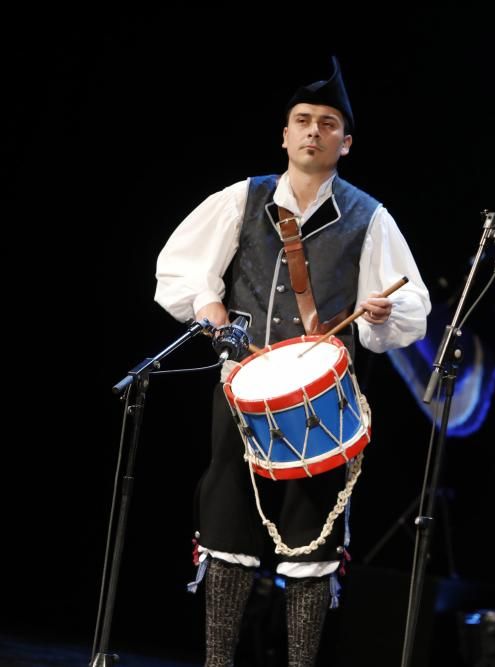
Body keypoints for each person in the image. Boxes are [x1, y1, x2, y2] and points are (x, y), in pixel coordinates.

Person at [154, 56, 431, 666]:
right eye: (302, 120)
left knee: (311, 546)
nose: (313, 131)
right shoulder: (243, 199)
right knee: (227, 533)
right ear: (284, 134)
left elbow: (410, 303)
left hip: (322, 406)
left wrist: (383, 315)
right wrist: (212, 308)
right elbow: (179, 268)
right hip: (241, 391)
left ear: (346, 141)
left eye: (327, 123)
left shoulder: (368, 217)